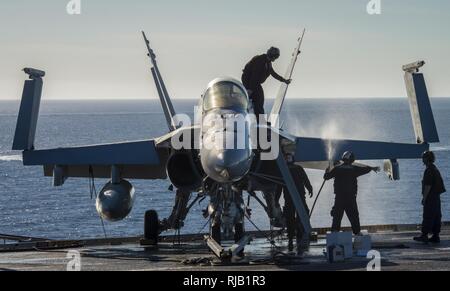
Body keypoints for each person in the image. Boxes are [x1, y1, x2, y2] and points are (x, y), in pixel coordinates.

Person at [324, 151, 380, 235]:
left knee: (337, 217)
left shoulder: (337, 169)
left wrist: (327, 171)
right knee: (354, 217)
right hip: (351, 198)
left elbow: (326, 177)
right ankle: (357, 233)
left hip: (339, 198)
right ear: (352, 160)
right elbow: (365, 169)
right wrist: (372, 168)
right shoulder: (354, 169)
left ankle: (335, 233)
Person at [241, 47, 291, 122]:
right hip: (250, 82)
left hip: (254, 83)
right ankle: (258, 121)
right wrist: (250, 89)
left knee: (259, 100)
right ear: (272, 55)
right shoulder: (260, 61)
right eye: (276, 56)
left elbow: (273, 73)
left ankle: (258, 120)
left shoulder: (267, 62)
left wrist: (284, 80)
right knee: (258, 100)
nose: (276, 58)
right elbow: (254, 76)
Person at [278, 154, 313, 252]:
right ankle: (299, 233)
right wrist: (310, 188)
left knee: (290, 218)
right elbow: (305, 180)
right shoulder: (298, 168)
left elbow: (279, 186)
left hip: (289, 198)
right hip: (299, 197)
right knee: (304, 213)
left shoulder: (283, 170)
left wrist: (276, 199)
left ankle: (291, 237)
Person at [414, 151, 446, 244]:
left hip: (431, 197)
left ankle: (424, 236)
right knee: (436, 216)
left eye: (423, 158)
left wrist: (424, 198)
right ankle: (436, 236)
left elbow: (428, 186)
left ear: (427, 159)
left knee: (428, 215)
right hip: (436, 197)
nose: (422, 159)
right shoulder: (435, 168)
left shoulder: (428, 170)